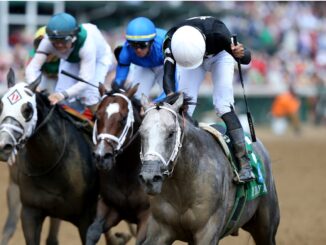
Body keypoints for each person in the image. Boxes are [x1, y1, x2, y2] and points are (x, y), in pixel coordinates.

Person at [162, 16, 254, 183]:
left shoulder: (218, 33)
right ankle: (175, 157)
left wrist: (242, 53)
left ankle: (244, 163)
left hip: (220, 56)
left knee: (223, 105)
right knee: (183, 107)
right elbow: (168, 75)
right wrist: (171, 96)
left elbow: (246, 58)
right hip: (190, 61)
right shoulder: (171, 41)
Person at [26, 12, 115, 114]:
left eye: (64, 40)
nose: (59, 45)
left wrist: (62, 95)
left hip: (98, 59)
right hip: (72, 58)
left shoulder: (87, 46)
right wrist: (34, 86)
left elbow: (84, 81)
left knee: (90, 94)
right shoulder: (47, 41)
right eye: (54, 40)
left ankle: (100, 125)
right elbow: (32, 68)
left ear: (74, 37)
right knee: (62, 96)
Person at [112, 17, 168, 101]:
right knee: (137, 98)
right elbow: (120, 76)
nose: (138, 50)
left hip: (164, 66)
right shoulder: (126, 50)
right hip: (143, 67)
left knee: (169, 98)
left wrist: (155, 103)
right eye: (133, 45)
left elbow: (171, 90)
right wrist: (117, 85)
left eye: (143, 44)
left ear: (152, 42)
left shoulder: (164, 46)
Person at [27, 26, 60, 93]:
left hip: (59, 79)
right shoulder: (34, 53)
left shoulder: (62, 52)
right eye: (39, 43)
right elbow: (29, 71)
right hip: (44, 77)